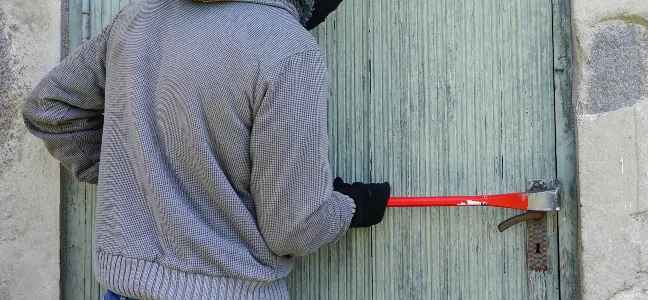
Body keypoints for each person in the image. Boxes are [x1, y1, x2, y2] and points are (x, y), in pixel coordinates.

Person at [21, 0, 389, 298]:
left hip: (124, 291)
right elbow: (293, 228)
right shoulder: (287, 46)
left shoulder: (140, 17)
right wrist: (352, 206)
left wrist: (138, 171)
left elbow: (50, 109)